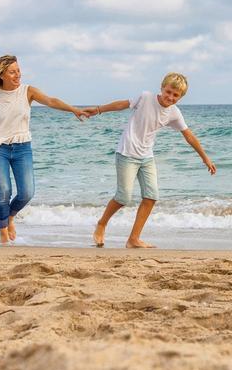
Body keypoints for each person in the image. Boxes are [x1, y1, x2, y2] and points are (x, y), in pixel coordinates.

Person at [86, 72, 216, 249]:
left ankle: (133, 239)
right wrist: (99, 109)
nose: (170, 97)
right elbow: (123, 104)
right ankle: (102, 223)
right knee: (123, 197)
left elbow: (189, 136)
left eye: (175, 95)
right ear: (162, 88)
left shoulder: (174, 113)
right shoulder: (146, 97)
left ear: (180, 97)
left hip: (146, 157)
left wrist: (205, 158)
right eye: (168, 91)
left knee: (151, 197)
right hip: (127, 153)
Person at [0, 55, 89, 244]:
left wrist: (74, 110)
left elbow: (51, 101)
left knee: (27, 192)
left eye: (18, 71)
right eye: (12, 72)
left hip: (22, 148)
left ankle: (10, 216)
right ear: (2, 74)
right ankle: (3, 233)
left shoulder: (27, 92)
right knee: (4, 190)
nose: (17, 75)